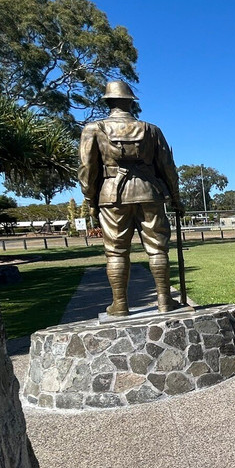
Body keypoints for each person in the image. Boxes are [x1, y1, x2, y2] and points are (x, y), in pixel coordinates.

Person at [78, 80, 183, 315]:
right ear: (130, 102)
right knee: (158, 249)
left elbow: (87, 169)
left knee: (116, 251)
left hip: (111, 195)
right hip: (149, 192)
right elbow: (167, 167)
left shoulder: (93, 129)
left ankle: (121, 304)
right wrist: (175, 197)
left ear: (108, 102)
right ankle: (164, 301)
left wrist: (89, 199)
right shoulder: (151, 130)